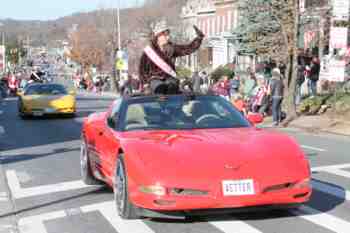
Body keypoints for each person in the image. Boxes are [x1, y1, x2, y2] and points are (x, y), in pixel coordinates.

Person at [139, 20, 204, 95]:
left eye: (168, 35)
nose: (168, 37)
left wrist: (199, 38)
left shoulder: (172, 48)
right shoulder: (149, 51)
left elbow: (188, 49)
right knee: (159, 88)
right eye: (165, 35)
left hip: (170, 77)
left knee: (172, 87)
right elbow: (142, 69)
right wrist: (145, 84)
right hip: (155, 79)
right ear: (158, 36)